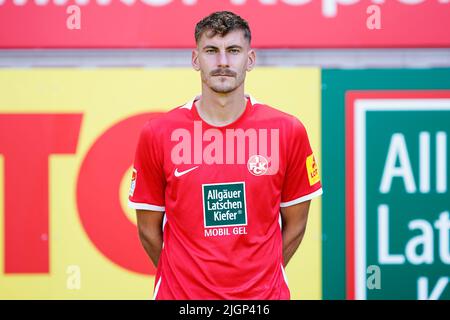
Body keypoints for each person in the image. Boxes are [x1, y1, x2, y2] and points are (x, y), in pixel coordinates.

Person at [128, 10, 323, 300]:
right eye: (211, 51)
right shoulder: (158, 133)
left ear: (250, 59)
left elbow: (296, 225)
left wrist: (259, 278)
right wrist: (187, 282)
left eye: (233, 51)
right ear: (196, 60)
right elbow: (148, 231)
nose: (222, 62)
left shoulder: (287, 131)